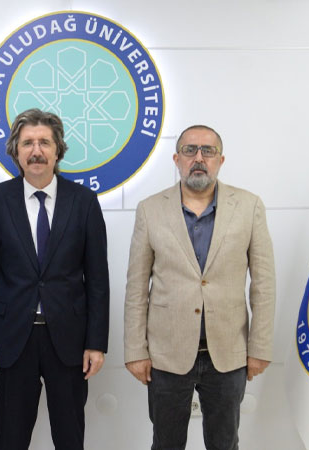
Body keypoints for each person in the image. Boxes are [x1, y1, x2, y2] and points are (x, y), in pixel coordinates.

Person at [123, 125, 275, 450]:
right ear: (176, 159)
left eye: (208, 151)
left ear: (221, 160)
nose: (199, 158)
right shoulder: (150, 210)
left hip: (228, 354)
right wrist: (136, 350)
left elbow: (264, 285)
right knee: (166, 444)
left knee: (225, 444)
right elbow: (136, 287)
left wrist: (259, 347)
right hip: (166, 354)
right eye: (190, 150)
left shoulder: (249, 206)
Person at [0, 108, 110, 450]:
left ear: (58, 150)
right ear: (16, 151)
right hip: (12, 340)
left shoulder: (84, 202)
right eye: (28, 143)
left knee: (70, 437)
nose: (36, 151)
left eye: (44, 142)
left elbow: (97, 279)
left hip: (69, 340)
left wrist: (96, 342)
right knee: (11, 439)